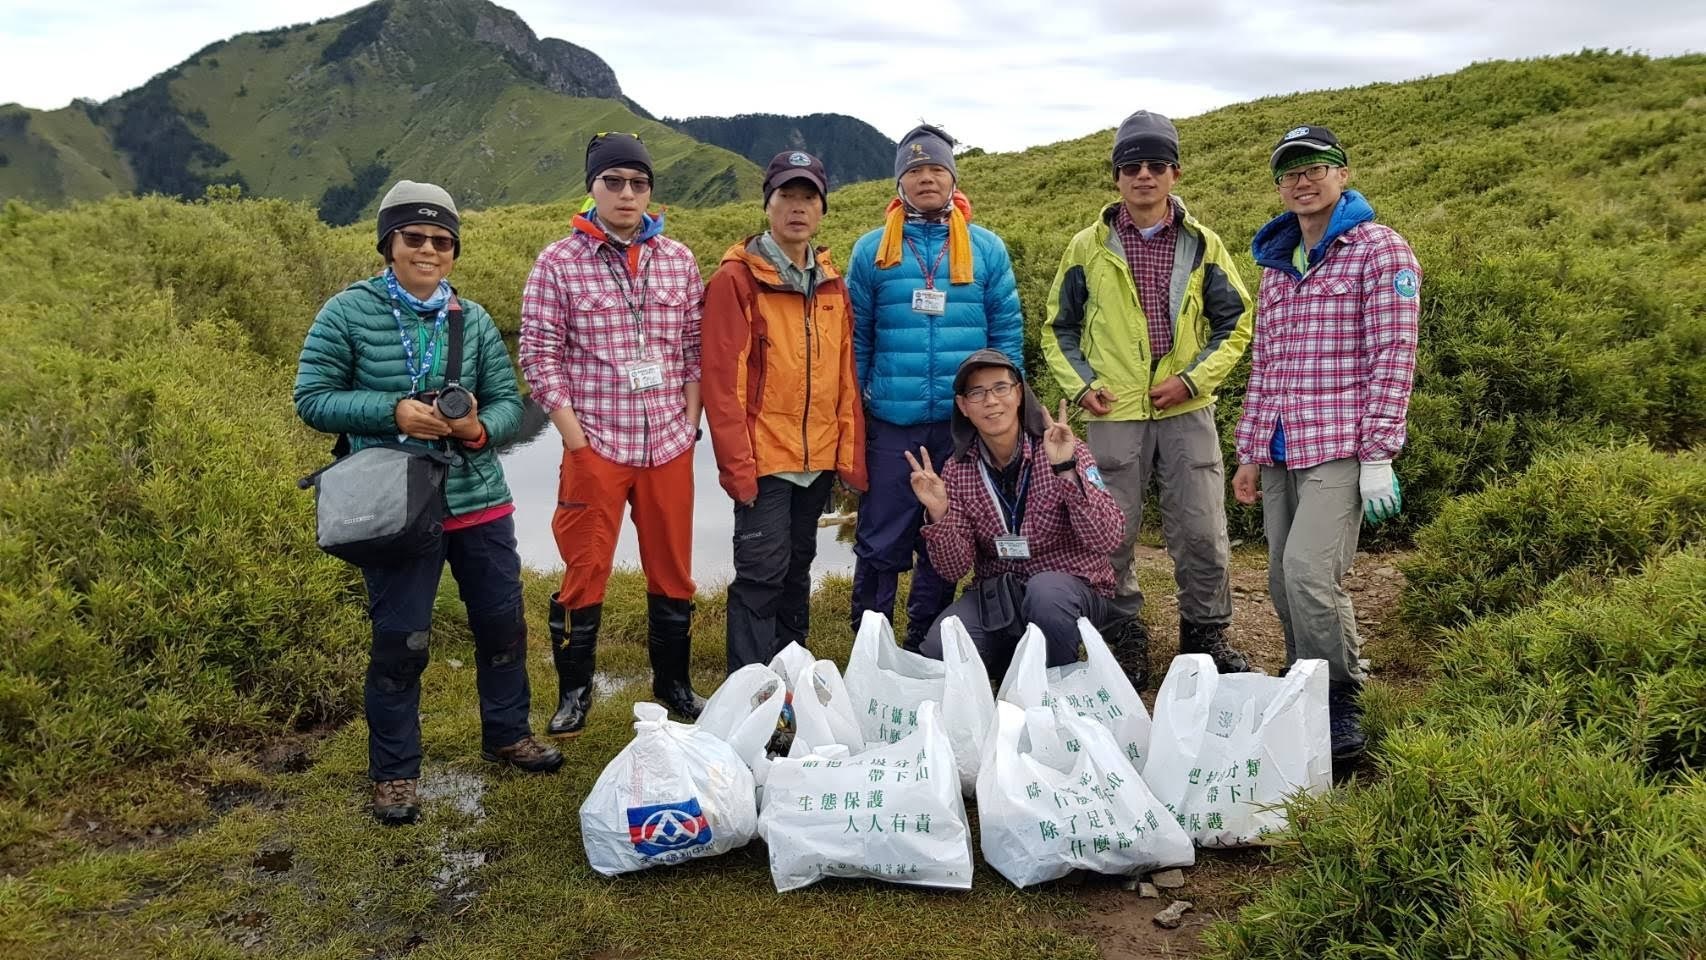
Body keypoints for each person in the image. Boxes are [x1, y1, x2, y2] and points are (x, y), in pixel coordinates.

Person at [295, 180, 562, 826]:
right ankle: (395, 774)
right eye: (414, 237)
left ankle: (506, 732)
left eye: (442, 241)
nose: (428, 249)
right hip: (393, 506)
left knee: (502, 625)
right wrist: (393, 413)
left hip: (478, 499)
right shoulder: (346, 313)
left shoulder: (468, 321)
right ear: (388, 242)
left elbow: (507, 402)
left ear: (453, 251)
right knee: (401, 641)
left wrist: (477, 429)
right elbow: (312, 398)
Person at [1040, 110, 1255, 688]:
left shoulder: (1204, 244)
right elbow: (1056, 329)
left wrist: (1191, 381)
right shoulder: (1087, 247)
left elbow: (1235, 325)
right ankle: (1122, 633)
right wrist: (1084, 388)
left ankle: (1205, 637)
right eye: (1131, 166)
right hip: (1113, 413)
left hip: (1186, 409)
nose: (1143, 176)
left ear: (1175, 174)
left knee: (1203, 528)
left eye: (1155, 165)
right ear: (1115, 177)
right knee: (1108, 532)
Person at [1233, 124, 1421, 762]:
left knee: (1312, 573)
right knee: (1284, 583)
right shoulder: (1278, 263)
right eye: (1290, 171)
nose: (1303, 180)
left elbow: (1395, 355)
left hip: (1341, 445)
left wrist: (1378, 454)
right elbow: (1267, 363)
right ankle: (1303, 684)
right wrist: (1252, 450)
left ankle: (1344, 695)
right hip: (1284, 447)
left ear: (1343, 174)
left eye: (1316, 166)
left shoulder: (1381, 252)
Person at [518, 133, 706, 739]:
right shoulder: (558, 262)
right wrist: (574, 440)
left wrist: (691, 420)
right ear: (593, 187)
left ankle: (673, 685)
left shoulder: (678, 260)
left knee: (673, 570)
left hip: (669, 446)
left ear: (650, 191)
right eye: (614, 182)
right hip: (595, 444)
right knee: (585, 567)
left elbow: (695, 350)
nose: (627, 194)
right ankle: (574, 693)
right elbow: (538, 356)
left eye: (638, 183)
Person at [847, 123, 1024, 651]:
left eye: (936, 169)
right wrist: (855, 409)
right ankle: (870, 643)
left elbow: (1006, 333)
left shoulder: (987, 250)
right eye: (915, 170)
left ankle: (927, 638)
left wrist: (1005, 411)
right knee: (880, 536)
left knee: (948, 535)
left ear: (952, 178)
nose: (926, 178)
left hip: (961, 425)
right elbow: (857, 338)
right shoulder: (872, 250)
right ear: (900, 181)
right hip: (892, 422)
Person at [702, 151, 866, 672]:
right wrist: (737, 467)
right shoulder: (737, 279)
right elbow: (722, 384)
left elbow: (845, 378)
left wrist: (848, 457)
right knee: (760, 574)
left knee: (798, 569)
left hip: (815, 458)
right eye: (786, 197)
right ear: (767, 205)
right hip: (764, 460)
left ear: (822, 210)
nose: (797, 208)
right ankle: (748, 690)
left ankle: (789, 678)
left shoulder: (833, 284)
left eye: (808, 198)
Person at [908, 350, 1126, 679]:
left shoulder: (1064, 449)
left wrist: (1065, 469)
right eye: (977, 393)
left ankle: (1056, 689)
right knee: (941, 648)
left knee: (1046, 596)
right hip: (1001, 596)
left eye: (1000, 388)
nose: (991, 401)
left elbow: (1108, 538)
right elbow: (954, 569)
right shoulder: (957, 469)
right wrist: (939, 513)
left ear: (1019, 393)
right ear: (964, 407)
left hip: (1070, 590)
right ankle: (1013, 660)